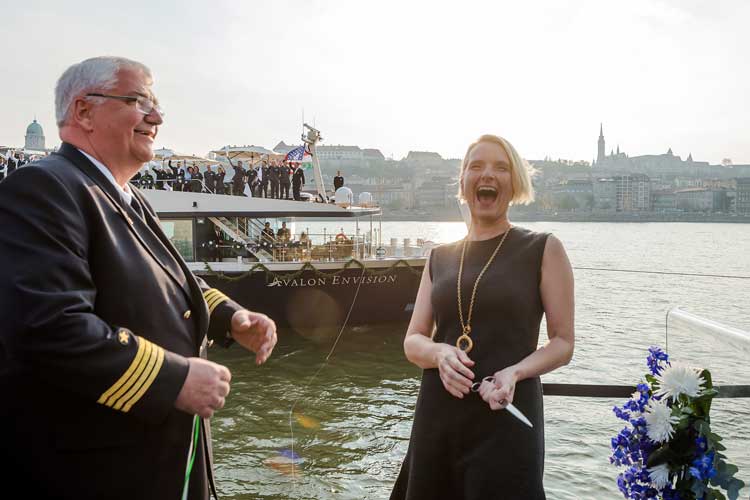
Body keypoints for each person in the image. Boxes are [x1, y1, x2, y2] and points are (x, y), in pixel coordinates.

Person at [0, 56, 278, 500]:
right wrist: (173, 379)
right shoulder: (44, 188)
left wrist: (231, 316)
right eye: (137, 101)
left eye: (155, 103)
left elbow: (173, 280)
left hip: (156, 463)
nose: (157, 116)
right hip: (97, 472)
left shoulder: (125, 194)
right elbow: (48, 326)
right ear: (84, 112)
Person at [390, 134, 575, 500]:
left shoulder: (542, 248)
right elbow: (413, 341)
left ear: (515, 183)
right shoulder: (438, 257)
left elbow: (563, 342)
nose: (487, 174)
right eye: (476, 166)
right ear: (462, 182)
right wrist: (440, 353)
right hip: (437, 419)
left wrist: (515, 372)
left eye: (501, 167)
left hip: (506, 413)